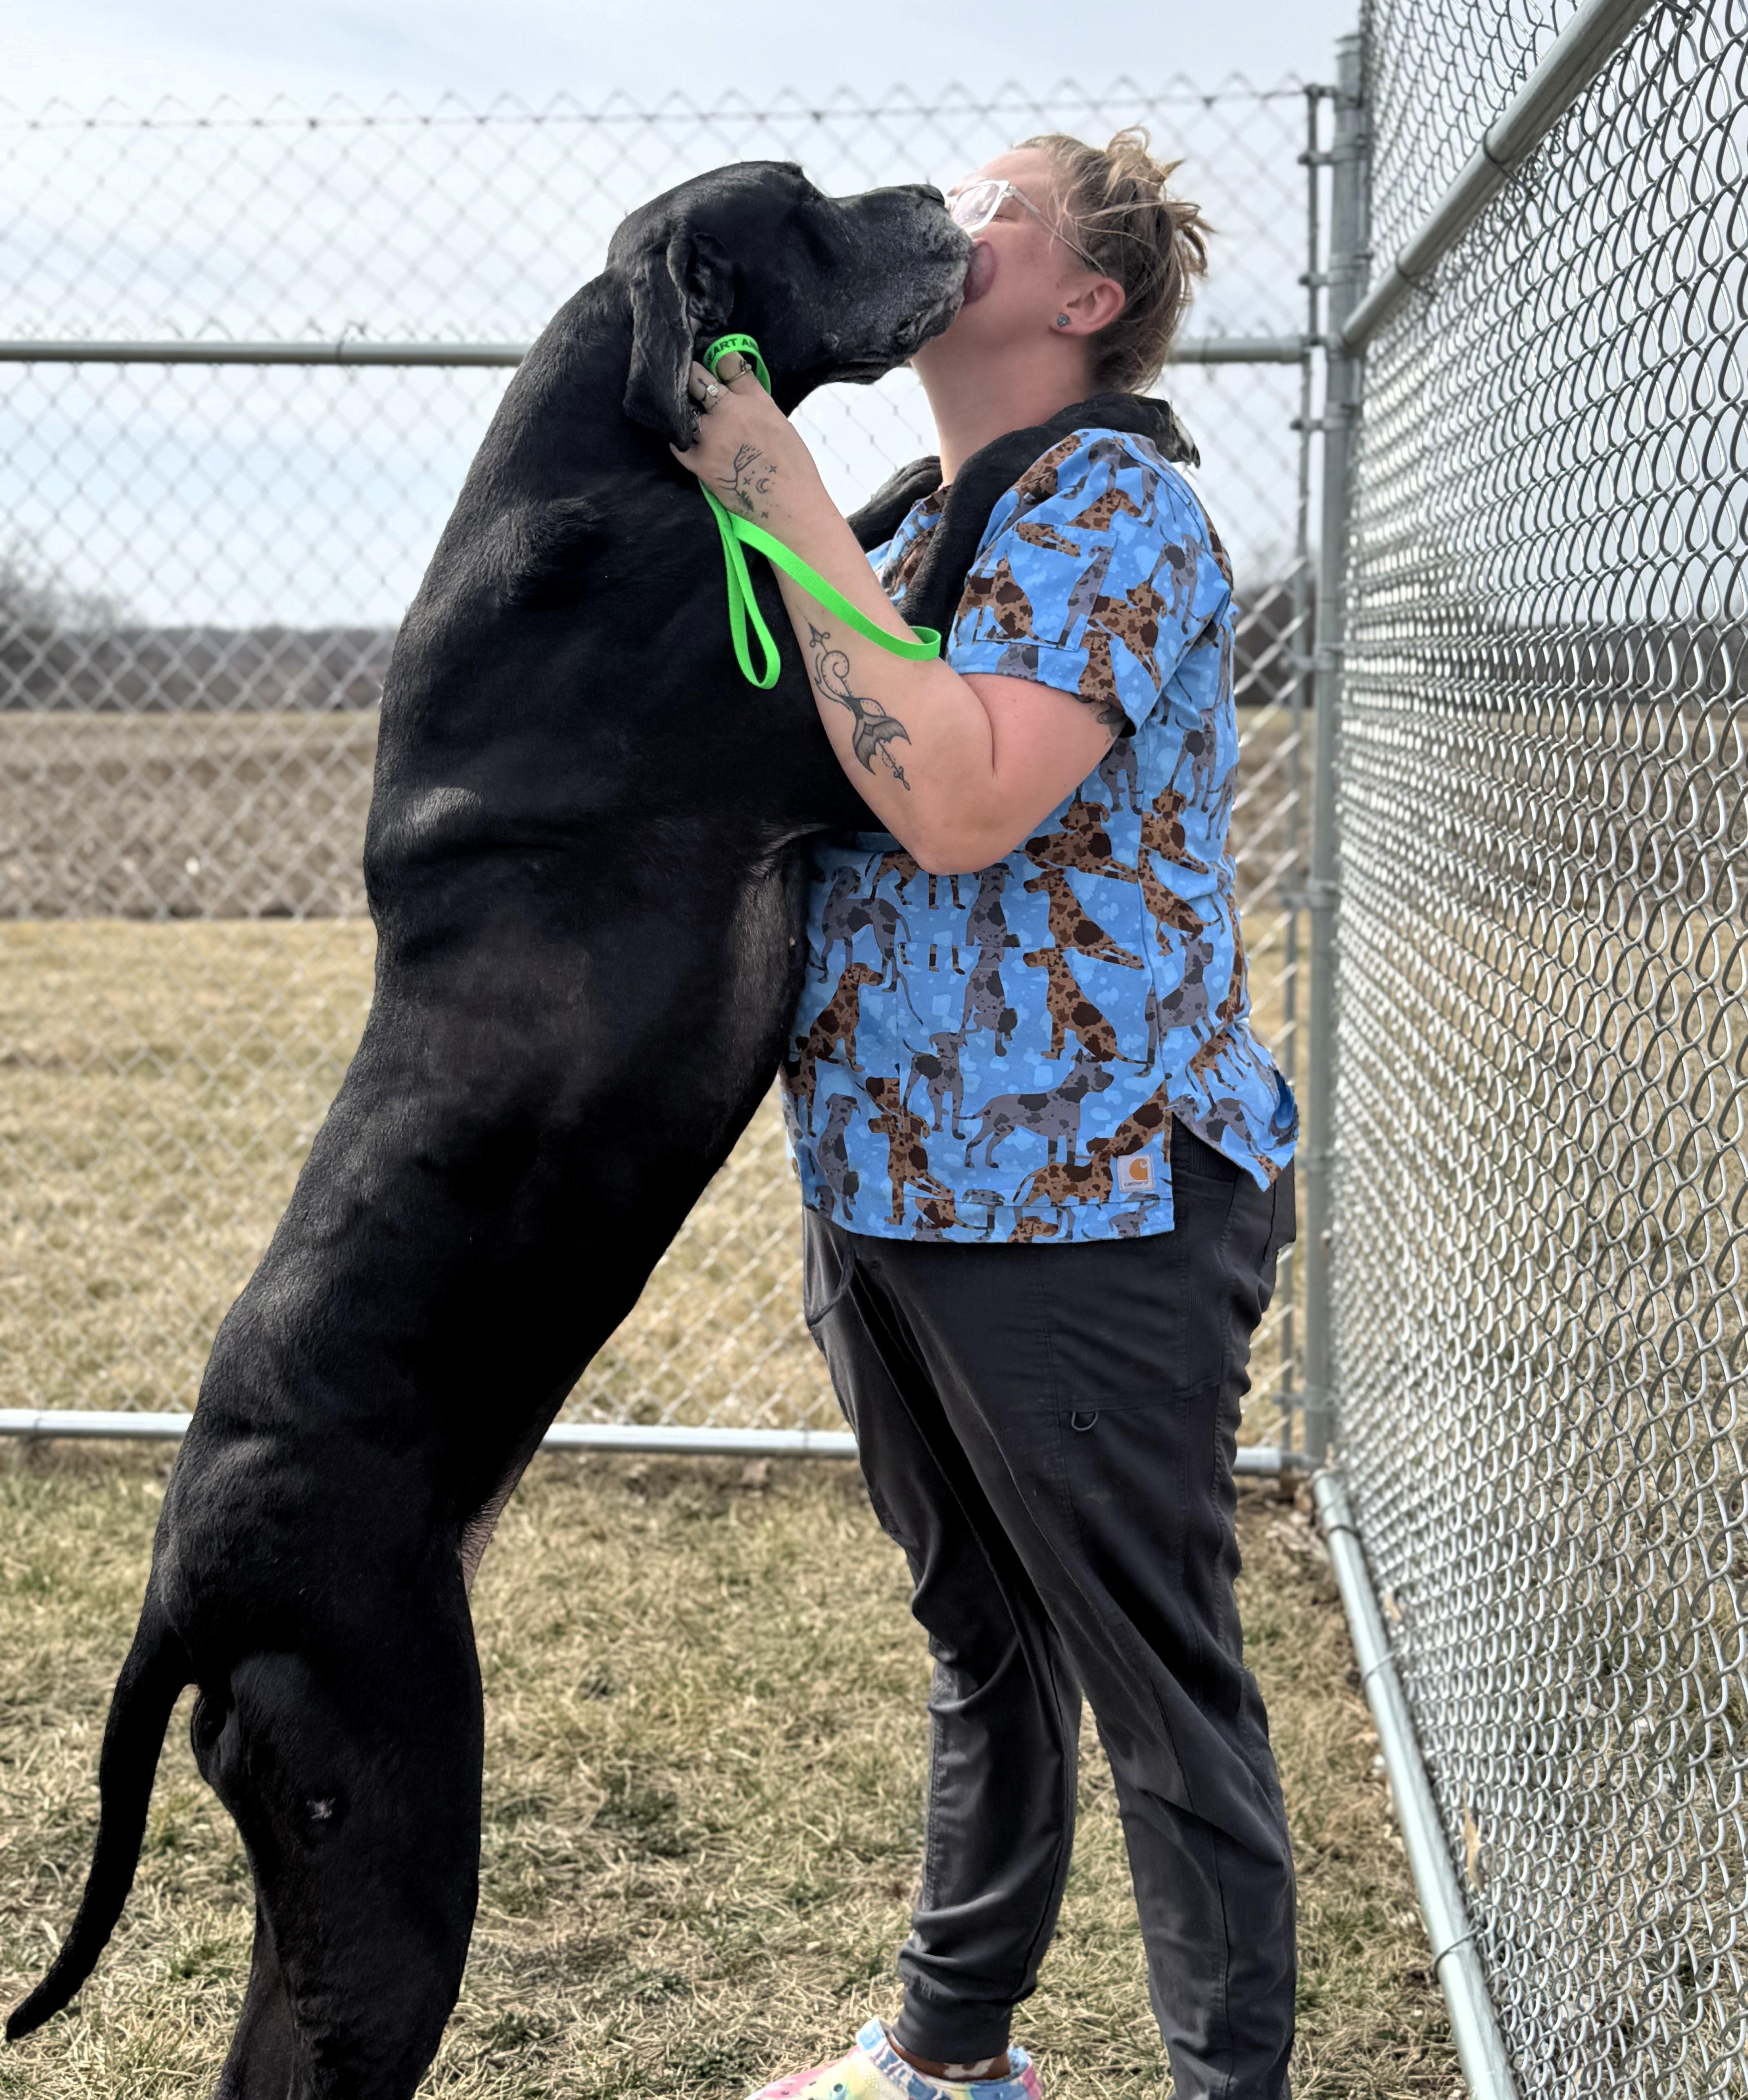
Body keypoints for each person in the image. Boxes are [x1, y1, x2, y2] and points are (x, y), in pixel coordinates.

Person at [672, 129, 1298, 2100]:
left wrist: (770, 486)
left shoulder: (1115, 506)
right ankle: (949, 2063)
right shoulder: (917, 522)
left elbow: (956, 802)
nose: (950, 225)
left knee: (1159, 1697)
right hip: (889, 1183)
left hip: (1087, 1196)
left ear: (1089, 298)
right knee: (986, 1647)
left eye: (997, 212)